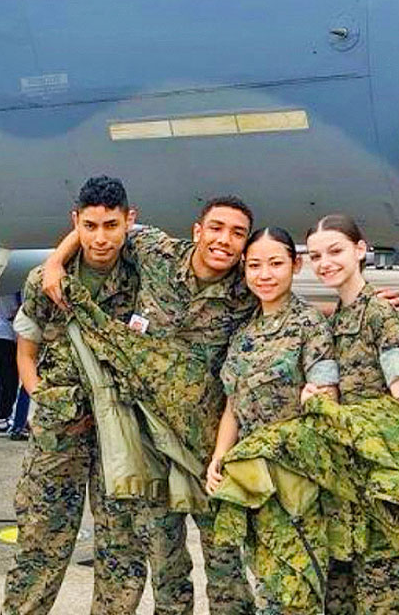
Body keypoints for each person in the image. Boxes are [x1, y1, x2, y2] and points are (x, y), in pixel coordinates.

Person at [44, 195, 258, 615]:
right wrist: (55, 262)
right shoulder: (157, 251)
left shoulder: (245, 291)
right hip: (148, 444)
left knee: (226, 565)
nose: (224, 240)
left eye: (237, 234)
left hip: (207, 449)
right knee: (165, 561)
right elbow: (105, 225)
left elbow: (288, 311)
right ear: (197, 231)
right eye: (216, 228)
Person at [1, 176, 147, 615]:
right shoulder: (44, 281)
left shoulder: (147, 276)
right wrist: (39, 398)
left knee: (123, 546)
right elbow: (25, 351)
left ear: (129, 221)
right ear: (75, 222)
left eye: (110, 225)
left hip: (122, 432)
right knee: (40, 543)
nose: (100, 237)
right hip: (59, 432)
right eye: (89, 225)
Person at [205, 227, 339, 614]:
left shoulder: (309, 325)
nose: (265, 274)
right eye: (255, 265)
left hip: (294, 480)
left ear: (295, 266)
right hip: (251, 480)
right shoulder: (244, 332)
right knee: (264, 584)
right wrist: (219, 457)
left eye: (276, 264)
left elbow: (324, 393)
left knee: (297, 590)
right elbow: (234, 403)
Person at [305, 214, 399, 615]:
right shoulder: (340, 317)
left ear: (361, 251)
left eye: (335, 251)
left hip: (381, 484)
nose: (325, 262)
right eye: (315, 255)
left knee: (382, 598)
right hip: (347, 485)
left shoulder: (381, 315)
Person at [0, 292, 23, 435]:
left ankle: (3, 416)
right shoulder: (10, 287)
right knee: (7, 380)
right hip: (4, 334)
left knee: (7, 380)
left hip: (11, 333)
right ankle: (1, 418)